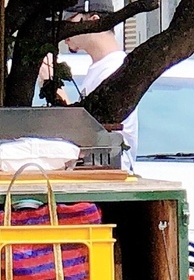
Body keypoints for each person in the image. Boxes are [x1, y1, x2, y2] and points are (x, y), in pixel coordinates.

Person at [51, 0, 138, 171]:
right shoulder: (99, 68)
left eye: (70, 20)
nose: (63, 30)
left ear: (94, 21)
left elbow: (85, 135)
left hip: (110, 179)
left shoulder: (114, 70)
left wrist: (51, 83)